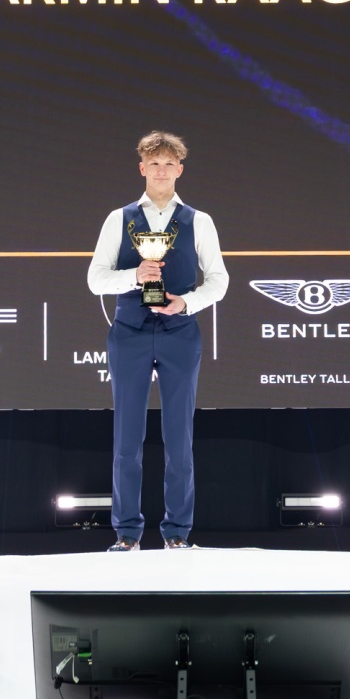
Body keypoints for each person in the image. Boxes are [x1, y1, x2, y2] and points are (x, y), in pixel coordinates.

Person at [86, 131, 229, 550]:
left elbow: (219, 281)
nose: (161, 171)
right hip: (129, 332)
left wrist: (186, 303)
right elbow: (96, 279)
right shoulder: (119, 218)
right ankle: (127, 533)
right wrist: (135, 276)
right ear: (142, 168)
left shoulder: (199, 221)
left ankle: (177, 533)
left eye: (169, 164)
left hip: (179, 333)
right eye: (154, 163)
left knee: (179, 437)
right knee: (126, 437)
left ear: (179, 170)